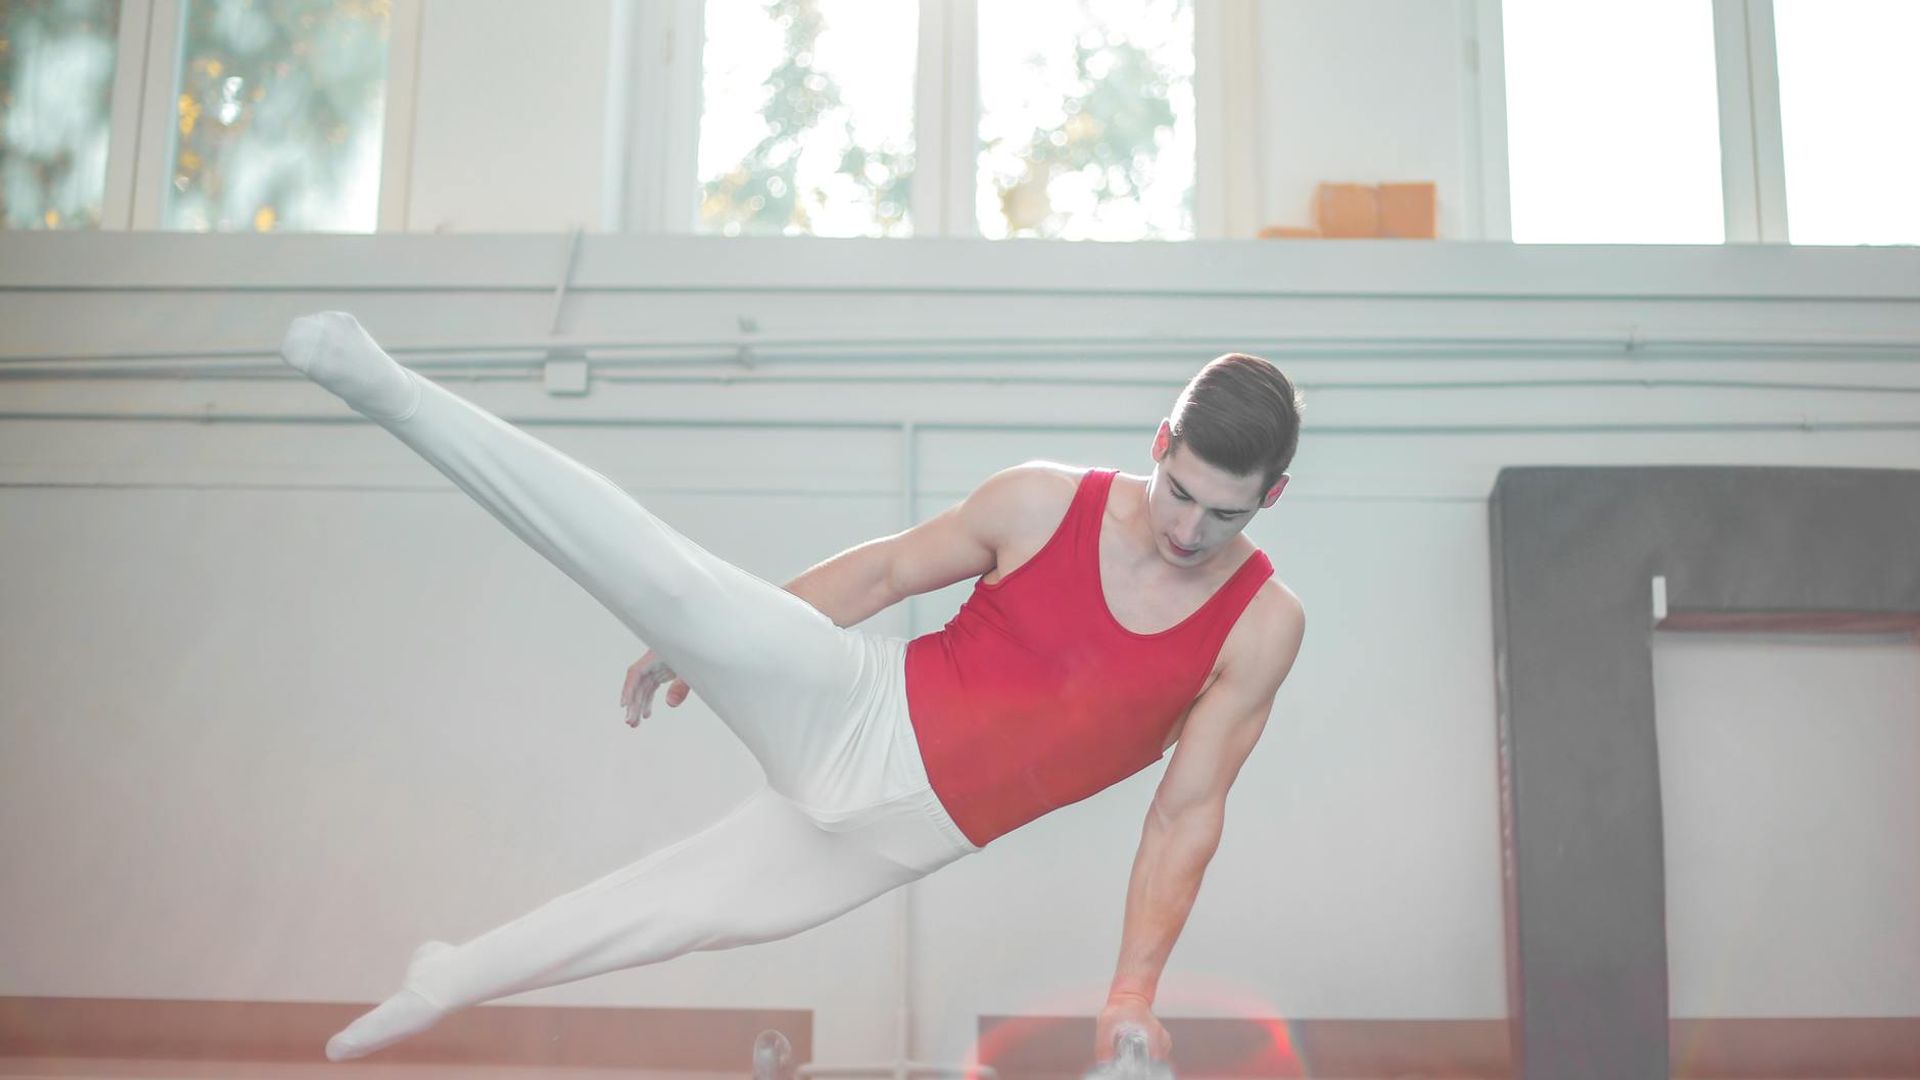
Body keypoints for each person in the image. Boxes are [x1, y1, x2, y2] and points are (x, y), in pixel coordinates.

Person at [279, 312, 1306, 1066]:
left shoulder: (1260, 628)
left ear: (1272, 497)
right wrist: (711, 637)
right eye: (1181, 492)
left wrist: (1131, 993)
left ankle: (448, 973)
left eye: (1225, 515)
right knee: (672, 586)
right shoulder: (1042, 502)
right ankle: (395, 394)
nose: (1187, 530)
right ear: (1159, 445)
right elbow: (883, 573)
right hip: (853, 705)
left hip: (889, 843)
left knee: (664, 915)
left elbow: (1184, 818)